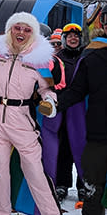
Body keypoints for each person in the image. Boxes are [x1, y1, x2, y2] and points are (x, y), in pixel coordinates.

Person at [0, 12, 60, 215]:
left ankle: (51, 212)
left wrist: (50, 102)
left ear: (33, 34)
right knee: (0, 174)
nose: (21, 32)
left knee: (35, 172)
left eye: (27, 30)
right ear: (10, 29)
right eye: (18, 27)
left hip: (22, 120)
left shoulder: (40, 60)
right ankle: (1, 212)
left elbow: (48, 89)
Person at [57, 12, 107, 215]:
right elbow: (75, 92)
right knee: (93, 191)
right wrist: (53, 104)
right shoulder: (93, 58)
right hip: (98, 137)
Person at [43, 23, 87, 203]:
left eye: (76, 36)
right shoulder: (56, 58)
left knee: (83, 146)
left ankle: (83, 185)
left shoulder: (86, 57)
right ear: (64, 39)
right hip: (61, 107)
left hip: (82, 108)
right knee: (63, 146)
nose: (73, 38)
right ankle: (61, 183)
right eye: (69, 36)